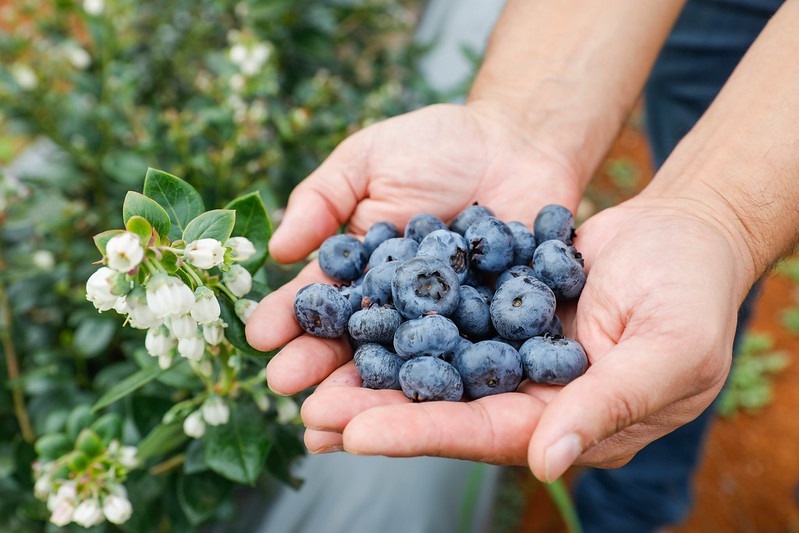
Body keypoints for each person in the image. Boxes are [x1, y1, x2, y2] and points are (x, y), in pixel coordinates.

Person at [245, 0, 797, 530]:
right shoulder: (426, 287)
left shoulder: (470, 290)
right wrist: (522, 124)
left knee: (695, 306)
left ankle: (630, 512)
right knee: (696, 81)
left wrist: (722, 219)